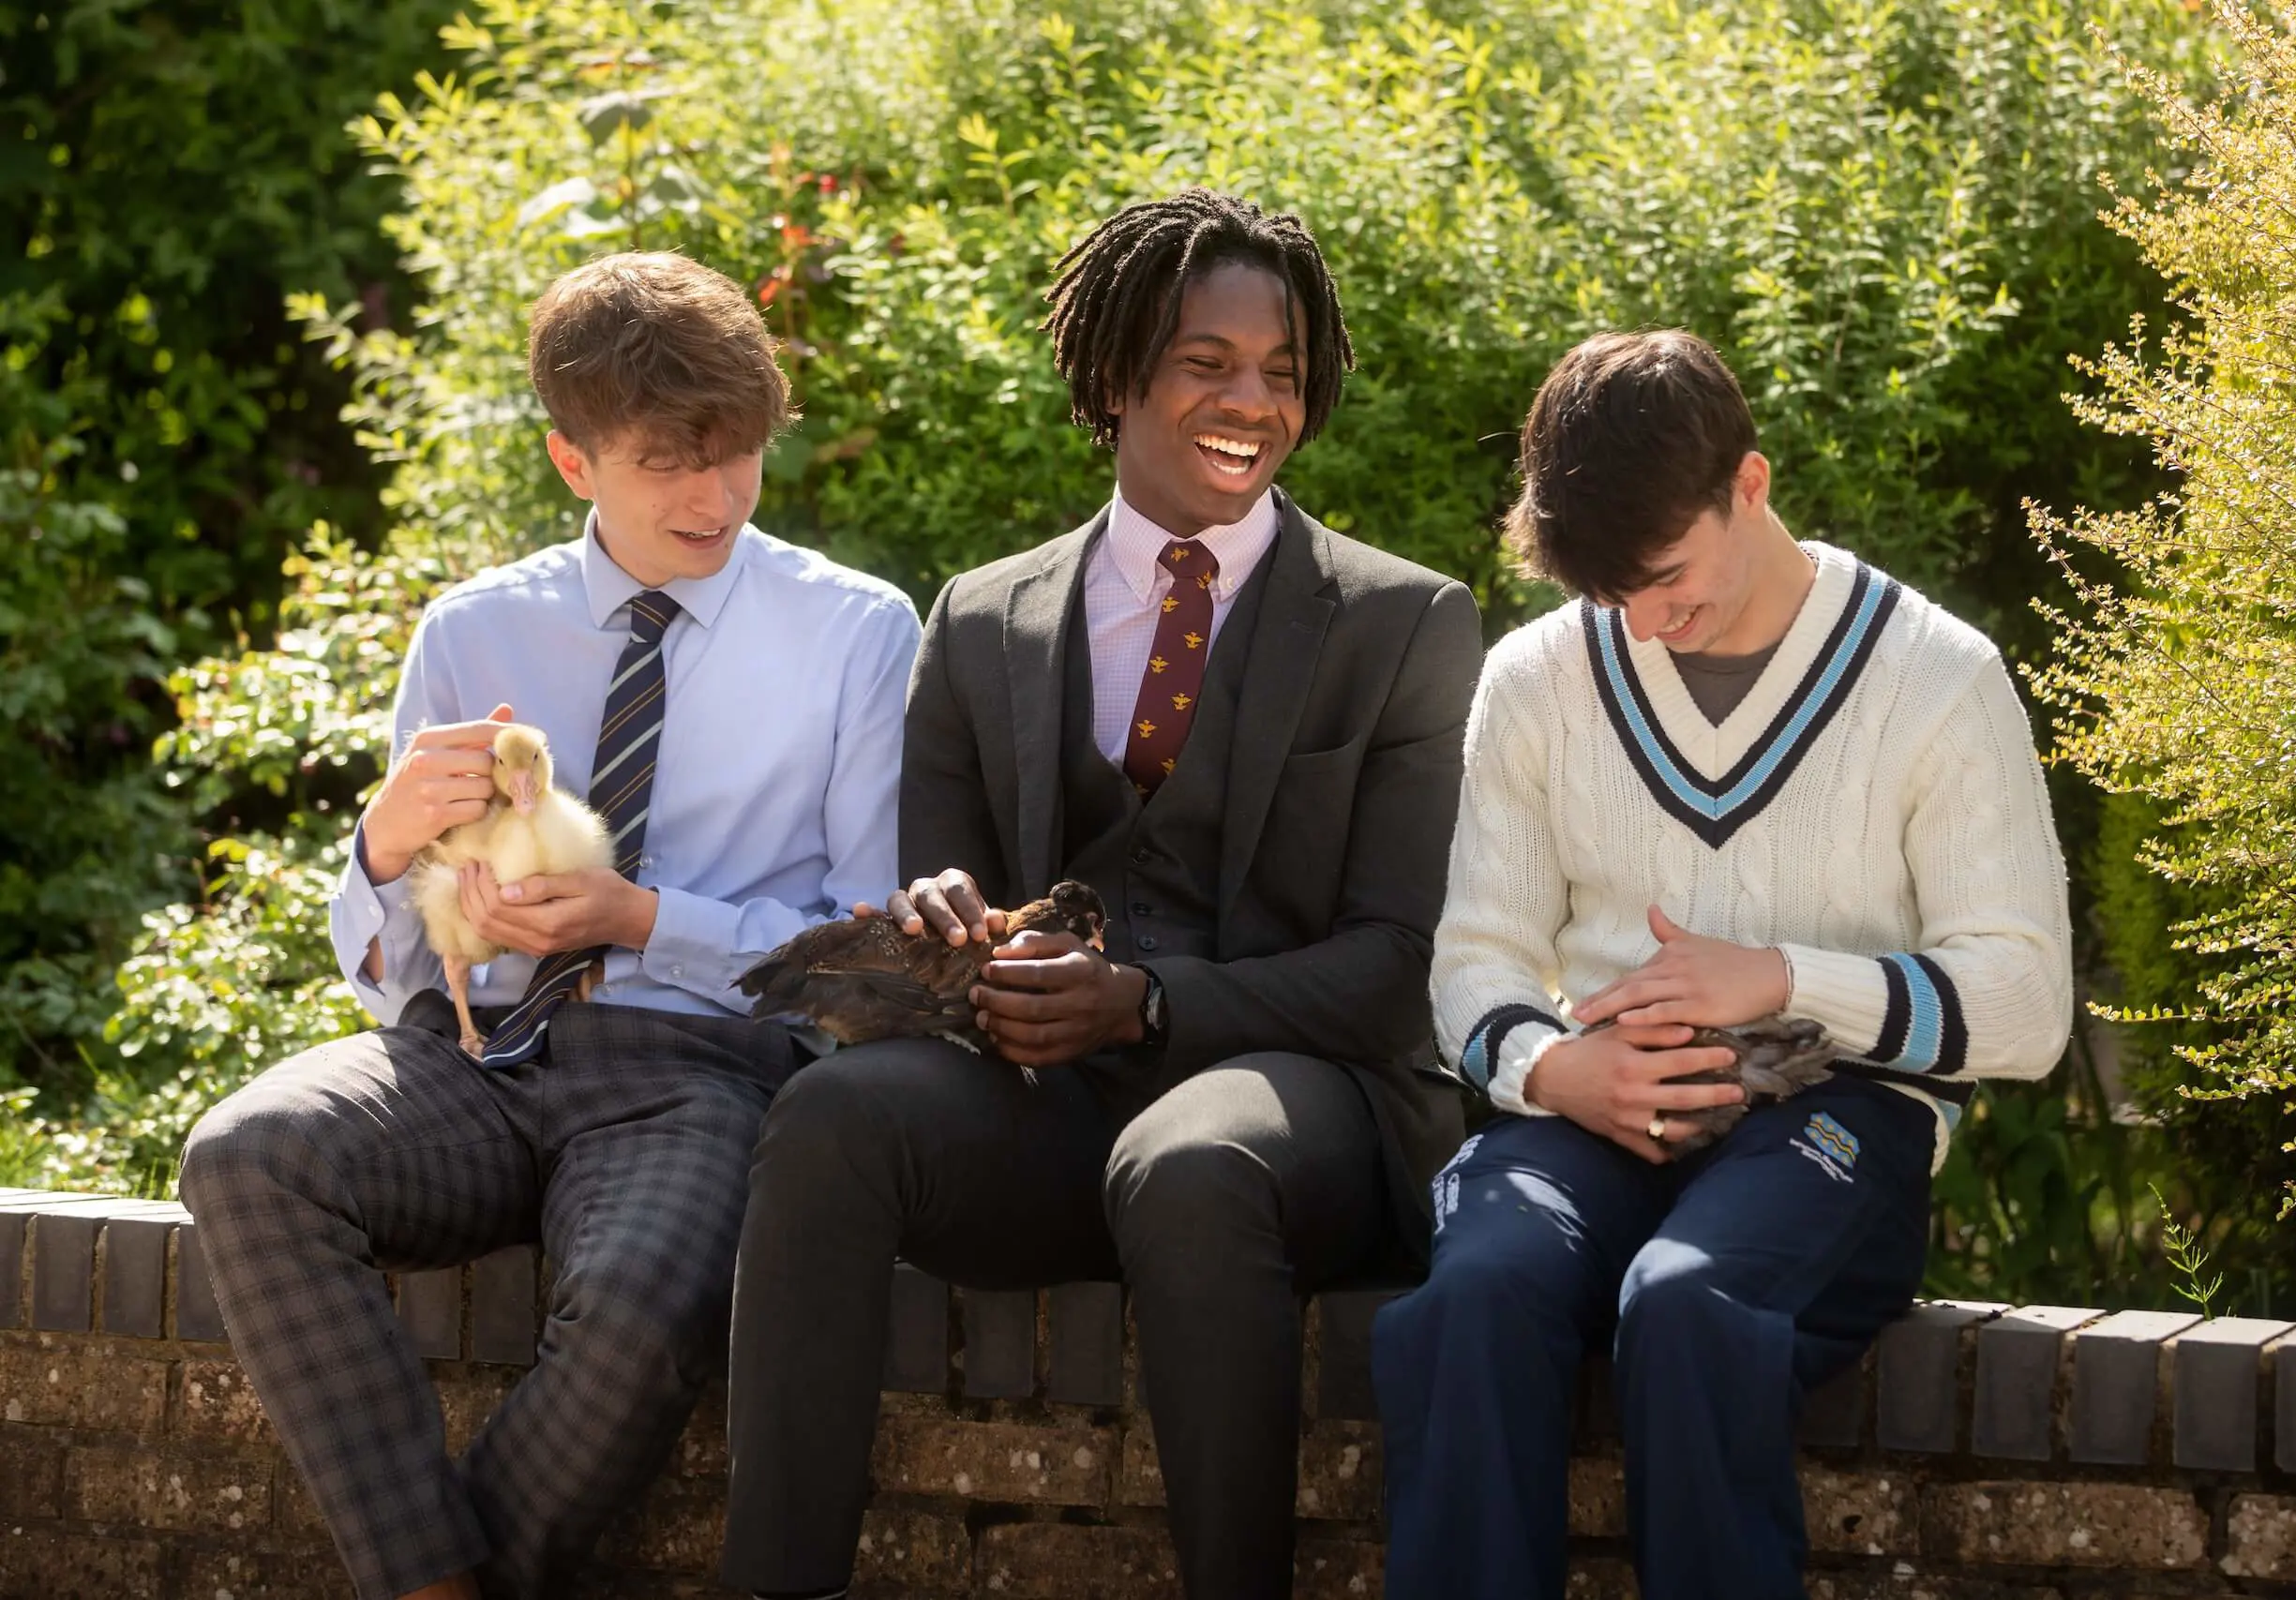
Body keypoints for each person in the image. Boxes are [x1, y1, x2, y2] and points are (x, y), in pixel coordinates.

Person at [719, 188, 1483, 1600]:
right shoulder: (982, 615)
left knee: (1191, 1162)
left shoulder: (1405, 622)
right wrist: (944, 922)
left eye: (1283, 372)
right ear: (1120, 368)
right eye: (1208, 362)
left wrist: (1144, 1001)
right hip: (1044, 1115)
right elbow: (949, 898)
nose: (1251, 400)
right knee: (829, 1118)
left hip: (1296, 1102)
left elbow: (1397, 963)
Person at [177, 250, 920, 1600]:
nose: (714, 496)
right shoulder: (470, 630)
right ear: (574, 462)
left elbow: (867, 953)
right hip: (467, 1057)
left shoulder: (856, 633)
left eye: (738, 453)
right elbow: (394, 964)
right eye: (666, 462)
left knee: (645, 1308)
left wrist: (645, 916)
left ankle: (432, 1581)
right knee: (248, 1154)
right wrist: (382, 844)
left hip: (692, 1075)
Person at [1372, 329, 2072, 1599]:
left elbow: (2027, 1005)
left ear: (1748, 485)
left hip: (1839, 1121)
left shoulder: (1940, 677)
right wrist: (1556, 1068)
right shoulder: (1532, 680)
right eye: (1609, 594)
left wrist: (1784, 978)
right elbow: (1475, 961)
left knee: (1690, 1305)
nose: (1645, 619)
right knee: (1471, 1295)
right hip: (1593, 1106)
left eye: (1667, 575)